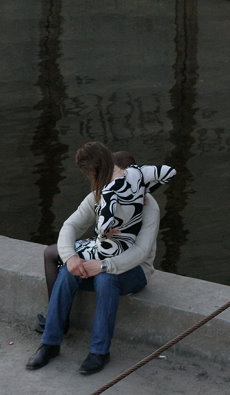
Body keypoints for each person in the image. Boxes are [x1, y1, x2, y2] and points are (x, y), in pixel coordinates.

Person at [26, 143, 173, 375]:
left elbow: (141, 252)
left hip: (134, 271)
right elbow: (71, 225)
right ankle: (50, 343)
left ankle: (99, 352)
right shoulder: (103, 195)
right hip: (101, 259)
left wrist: (103, 266)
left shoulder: (149, 208)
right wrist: (71, 258)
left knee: (106, 279)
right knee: (66, 271)